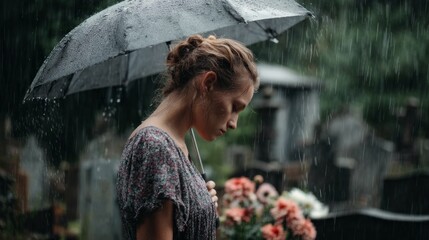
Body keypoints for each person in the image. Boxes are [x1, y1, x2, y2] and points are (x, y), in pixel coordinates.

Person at [116, 34, 259, 240]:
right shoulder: (154, 146)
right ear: (208, 83)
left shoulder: (174, 145)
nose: (233, 124)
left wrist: (199, 205)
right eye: (234, 107)